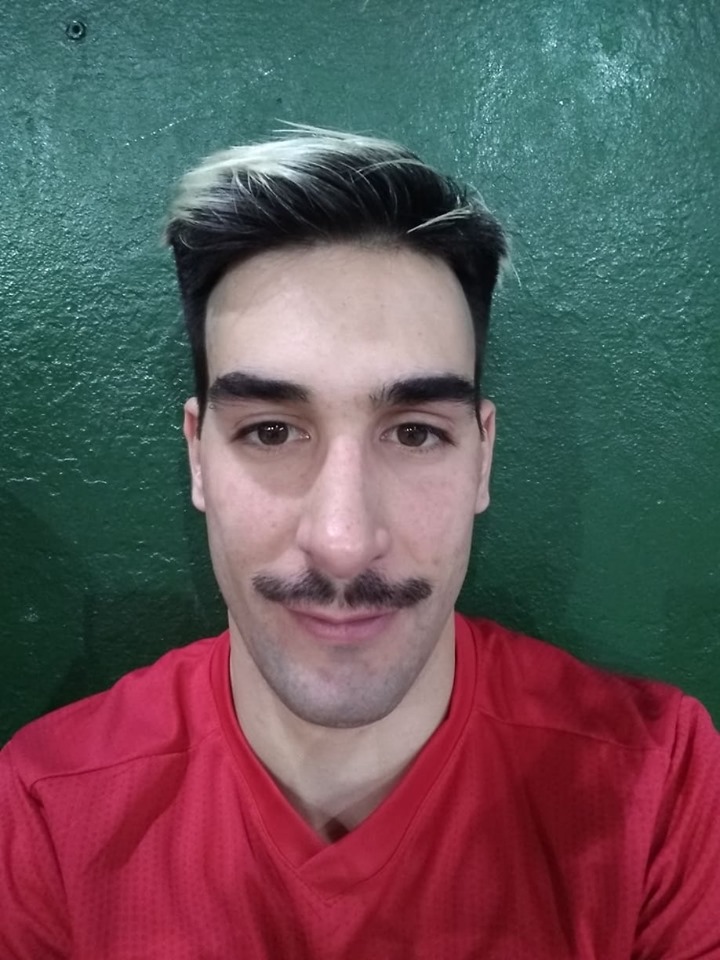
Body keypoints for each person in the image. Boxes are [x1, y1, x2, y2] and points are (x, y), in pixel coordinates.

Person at [1, 126, 719, 959]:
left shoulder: (660, 785)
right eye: (271, 431)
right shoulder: (46, 812)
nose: (343, 543)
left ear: (483, 458)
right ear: (197, 457)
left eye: (415, 433)